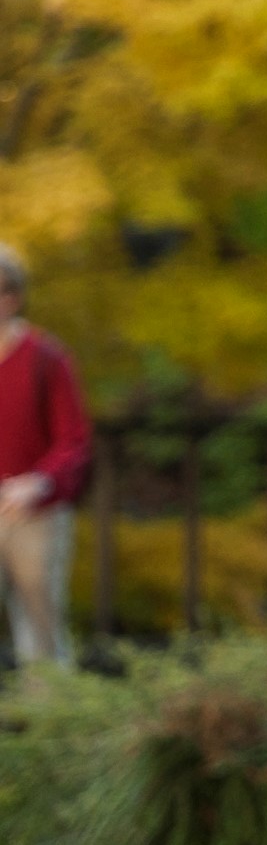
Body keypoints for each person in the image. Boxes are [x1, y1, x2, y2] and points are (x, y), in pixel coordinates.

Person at [0, 246, 93, 668]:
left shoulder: (46, 357)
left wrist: (38, 482)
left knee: (40, 630)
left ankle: (50, 723)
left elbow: (73, 440)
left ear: (12, 298)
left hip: (34, 513)